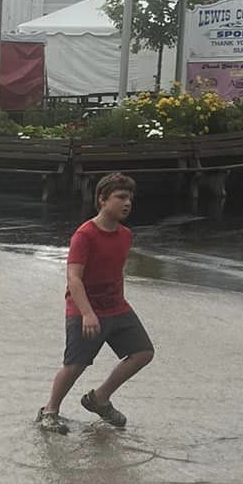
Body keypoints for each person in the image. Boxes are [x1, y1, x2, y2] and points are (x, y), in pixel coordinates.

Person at [37, 173, 154, 433]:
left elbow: (113, 271)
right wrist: (88, 314)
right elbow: (74, 279)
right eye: (120, 197)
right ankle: (50, 411)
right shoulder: (85, 235)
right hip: (84, 309)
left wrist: (114, 302)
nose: (127, 203)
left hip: (116, 307)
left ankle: (99, 398)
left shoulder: (125, 235)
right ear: (102, 200)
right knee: (75, 364)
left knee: (143, 352)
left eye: (129, 198)